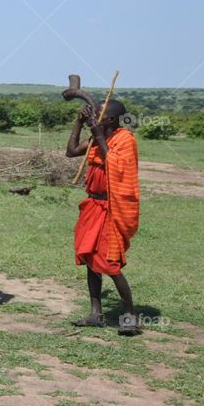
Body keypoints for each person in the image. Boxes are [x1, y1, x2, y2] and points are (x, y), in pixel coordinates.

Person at [66, 99, 140, 335]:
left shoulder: (125, 139)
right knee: (90, 259)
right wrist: (79, 123)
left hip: (111, 208)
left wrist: (99, 137)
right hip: (93, 205)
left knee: (110, 263)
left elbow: (117, 167)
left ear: (111, 119)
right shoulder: (95, 140)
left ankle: (131, 317)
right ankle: (96, 314)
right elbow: (70, 152)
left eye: (98, 113)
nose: (93, 116)